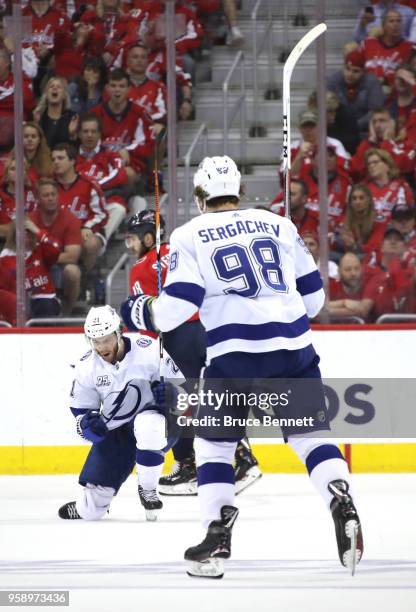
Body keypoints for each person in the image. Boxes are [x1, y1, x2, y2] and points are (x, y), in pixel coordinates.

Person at [121, 155, 363, 578]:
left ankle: (216, 540)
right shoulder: (280, 225)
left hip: (234, 357)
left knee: (214, 447)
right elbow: (313, 302)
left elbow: (176, 309)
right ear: (239, 191)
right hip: (294, 349)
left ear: (200, 197)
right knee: (310, 436)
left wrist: (139, 310)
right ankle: (339, 496)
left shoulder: (189, 233)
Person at [125, 210, 262, 496]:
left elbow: (147, 319)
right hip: (210, 329)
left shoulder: (141, 267)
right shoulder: (183, 253)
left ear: (148, 237)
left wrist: (150, 351)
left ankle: (187, 466)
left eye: (132, 238)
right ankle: (244, 457)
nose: (129, 244)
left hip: (180, 338)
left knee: (179, 402)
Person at [58, 304, 184, 522]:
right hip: (117, 429)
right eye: (95, 341)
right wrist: (86, 425)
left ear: (118, 333)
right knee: (91, 511)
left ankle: (148, 490)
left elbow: (186, 396)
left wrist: (172, 396)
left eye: (106, 339)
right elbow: (81, 411)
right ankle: (86, 507)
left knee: (148, 425)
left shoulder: (151, 348)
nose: (101, 346)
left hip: (155, 420)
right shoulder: (87, 366)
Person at [51, 142, 108, 273]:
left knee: (91, 243)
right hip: (57, 233)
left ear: (72, 161)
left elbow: (102, 214)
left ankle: (87, 278)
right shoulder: (49, 186)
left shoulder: (89, 184)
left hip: (86, 231)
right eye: (53, 159)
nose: (56, 162)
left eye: (60, 158)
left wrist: (87, 226)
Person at [30, 178, 82, 315]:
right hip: (34, 265)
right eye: (46, 195)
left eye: (53, 194)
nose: (50, 198)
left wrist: (46, 257)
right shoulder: (30, 220)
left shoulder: (71, 220)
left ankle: (66, 314)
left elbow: (72, 256)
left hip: (60, 265)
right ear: (38, 199)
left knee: (73, 272)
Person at [0, 218, 61, 318]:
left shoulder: (40, 250)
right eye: (21, 232)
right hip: (18, 303)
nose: (24, 236)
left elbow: (56, 248)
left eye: (28, 232)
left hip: (44, 299)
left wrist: (38, 231)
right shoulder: (5, 257)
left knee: (45, 306)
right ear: (14, 235)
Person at [326, 48, 385, 141]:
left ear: (363, 71)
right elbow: (325, 108)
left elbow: (376, 110)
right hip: (338, 130)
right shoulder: (333, 81)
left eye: (355, 71)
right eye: (347, 69)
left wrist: (355, 126)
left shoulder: (371, 82)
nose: (350, 74)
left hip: (365, 130)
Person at [333, 184, 387, 257]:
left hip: (369, 257)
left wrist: (354, 246)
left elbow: (375, 247)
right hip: (346, 257)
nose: (357, 202)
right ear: (350, 202)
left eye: (361, 198)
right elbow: (336, 245)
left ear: (369, 200)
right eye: (354, 198)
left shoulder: (378, 221)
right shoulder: (342, 221)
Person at [364, 147, 414, 219]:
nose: (371, 166)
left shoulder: (401, 186)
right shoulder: (364, 188)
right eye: (368, 164)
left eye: (375, 162)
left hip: (394, 228)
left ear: (387, 165)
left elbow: (407, 216)